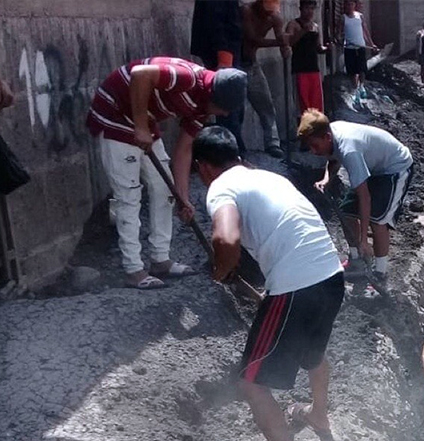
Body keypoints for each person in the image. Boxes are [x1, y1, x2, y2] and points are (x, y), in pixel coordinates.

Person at [194, 126, 343, 441]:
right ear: (238, 156)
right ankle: (319, 415)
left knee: (251, 383)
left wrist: (221, 270)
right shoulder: (267, 177)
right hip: (331, 275)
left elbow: (227, 240)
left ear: (203, 167)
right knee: (312, 353)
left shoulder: (220, 187)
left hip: (296, 285)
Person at [85, 57, 247, 289]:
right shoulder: (188, 79)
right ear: (214, 95)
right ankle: (133, 269)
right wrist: (140, 127)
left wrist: (183, 198)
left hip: (144, 119)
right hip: (115, 115)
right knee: (129, 195)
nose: (221, 113)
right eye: (222, 108)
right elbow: (141, 74)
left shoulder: (202, 107)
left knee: (165, 189)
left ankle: (160, 259)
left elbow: (184, 150)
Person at [298, 109, 413, 281]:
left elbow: (364, 197)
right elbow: (333, 159)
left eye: (315, 146)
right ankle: (356, 260)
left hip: (395, 167)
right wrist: (326, 179)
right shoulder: (331, 134)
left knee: (378, 220)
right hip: (372, 167)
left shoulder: (349, 150)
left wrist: (364, 240)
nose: (313, 151)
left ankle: (380, 273)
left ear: (327, 137)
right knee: (347, 213)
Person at [191, 0, 247, 156]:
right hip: (223, 53)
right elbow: (215, 19)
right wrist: (223, 56)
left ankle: (233, 153)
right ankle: (232, 156)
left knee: (232, 108)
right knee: (228, 107)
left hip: (226, 51)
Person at [241, 0, 292, 158]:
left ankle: (272, 143)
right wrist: (278, 42)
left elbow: (281, 38)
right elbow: (252, 38)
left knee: (266, 105)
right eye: (266, 10)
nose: (268, 13)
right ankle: (237, 147)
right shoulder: (247, 11)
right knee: (236, 110)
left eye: (271, 10)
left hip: (252, 64)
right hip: (237, 64)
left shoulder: (275, 18)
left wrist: (285, 47)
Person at [287, 0, 329, 114]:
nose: (309, 12)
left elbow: (318, 48)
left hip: (314, 70)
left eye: (312, 9)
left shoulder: (315, 26)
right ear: (301, 9)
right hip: (299, 70)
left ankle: (316, 126)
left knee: (316, 107)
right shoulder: (293, 24)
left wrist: (327, 48)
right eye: (307, 8)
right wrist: (303, 31)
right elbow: (289, 42)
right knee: (302, 107)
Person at [338, 0, 378, 95]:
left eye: (351, 4)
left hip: (361, 46)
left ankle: (362, 86)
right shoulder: (343, 18)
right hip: (349, 48)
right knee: (352, 71)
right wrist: (339, 40)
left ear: (355, 5)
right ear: (345, 6)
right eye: (348, 4)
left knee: (362, 69)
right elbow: (339, 33)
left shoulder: (360, 16)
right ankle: (355, 89)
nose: (349, 6)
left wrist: (371, 44)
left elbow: (365, 32)